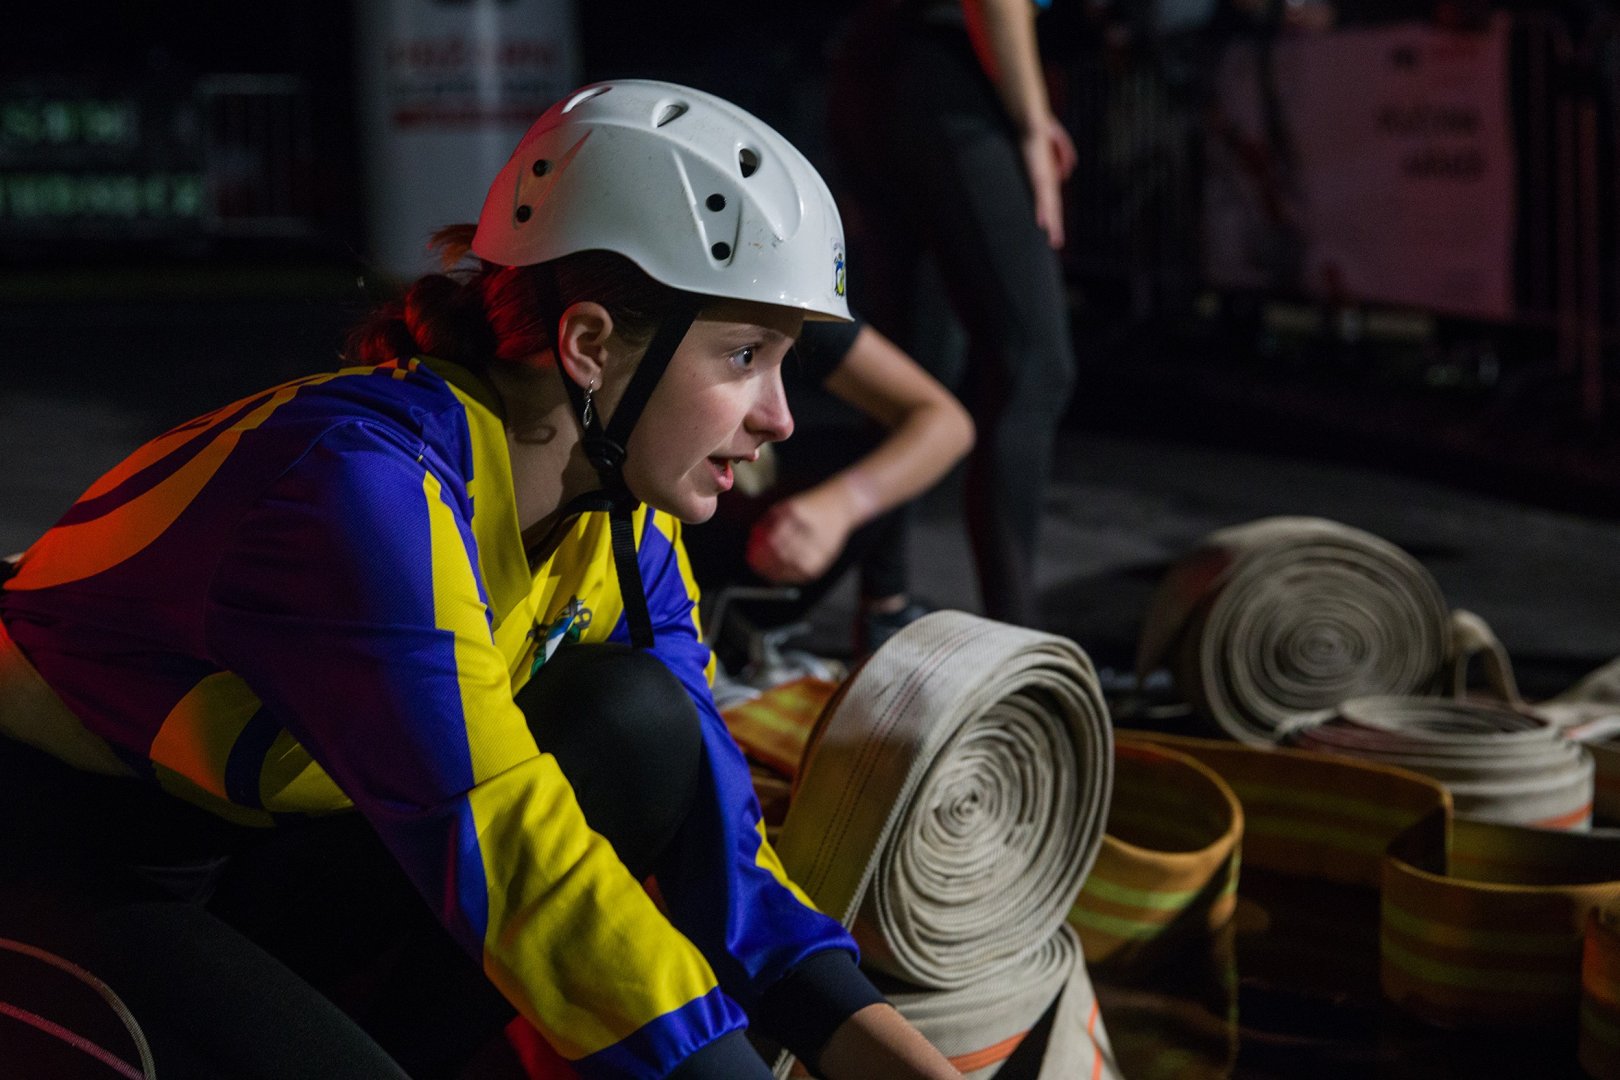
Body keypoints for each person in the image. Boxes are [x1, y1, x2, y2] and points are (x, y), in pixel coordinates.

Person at [0, 80, 962, 1080]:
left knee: (638, 724)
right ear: (589, 345)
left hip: (255, 852)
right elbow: (513, 846)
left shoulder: (623, 520)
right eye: (744, 356)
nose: (780, 417)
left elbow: (727, 857)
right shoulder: (355, 492)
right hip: (59, 866)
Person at [826, 0, 1079, 629]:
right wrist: (1032, 123)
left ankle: (884, 606)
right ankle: (1017, 642)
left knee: (910, 372)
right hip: (947, 80)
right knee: (1034, 364)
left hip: (874, 69)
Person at [685, 312, 974, 661]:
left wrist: (841, 505)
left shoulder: (794, 302)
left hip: (726, 545)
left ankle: (738, 628)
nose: (781, 421)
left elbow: (948, 423)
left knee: (877, 452)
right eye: (745, 357)